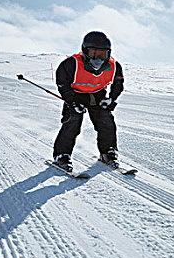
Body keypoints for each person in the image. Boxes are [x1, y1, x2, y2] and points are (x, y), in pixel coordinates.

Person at [52, 31, 124, 171]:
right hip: (75, 95)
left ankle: (108, 152)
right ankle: (62, 155)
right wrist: (71, 102)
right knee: (72, 121)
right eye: (93, 54)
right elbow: (62, 83)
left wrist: (111, 99)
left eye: (102, 55)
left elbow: (118, 84)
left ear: (108, 53)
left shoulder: (114, 66)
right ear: (85, 51)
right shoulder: (71, 64)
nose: (97, 59)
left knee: (106, 121)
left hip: (98, 95)